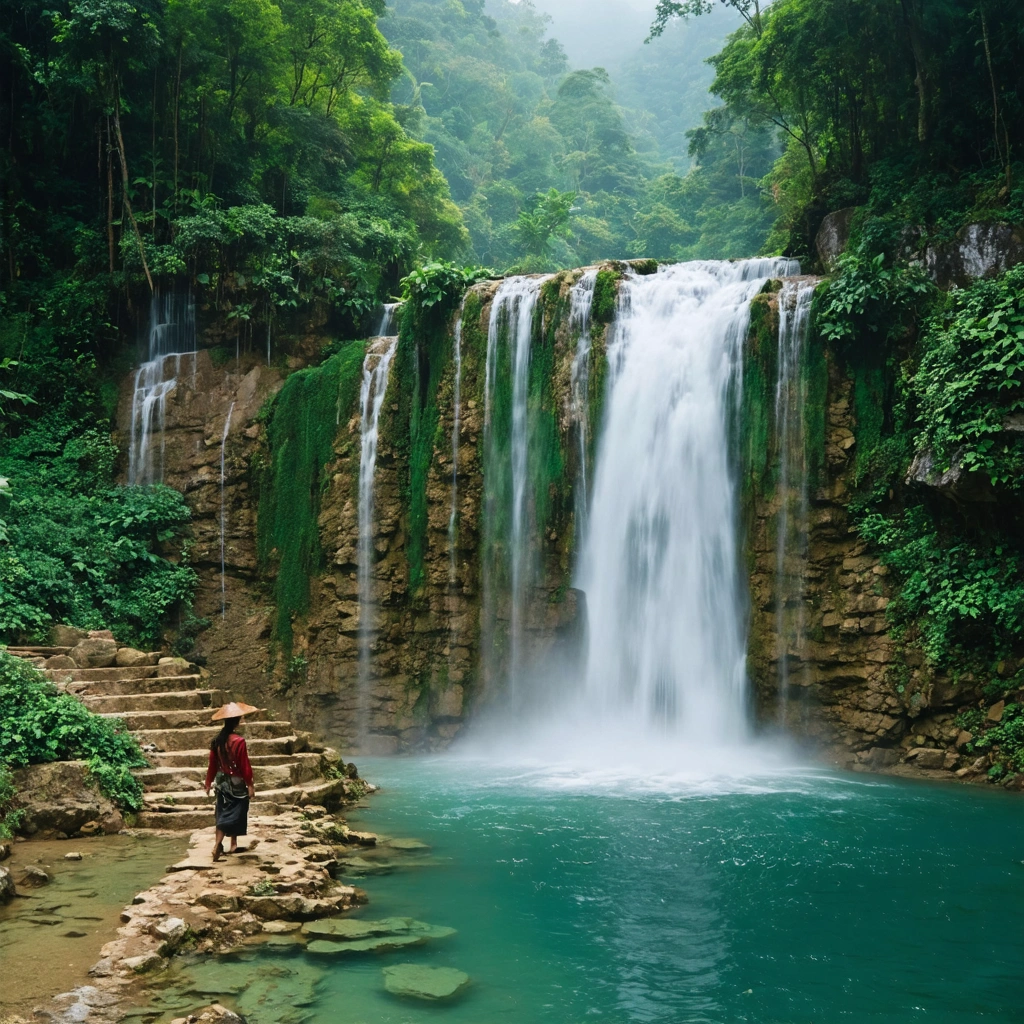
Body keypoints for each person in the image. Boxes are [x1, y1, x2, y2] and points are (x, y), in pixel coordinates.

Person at [204, 701, 259, 861]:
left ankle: (226, 843)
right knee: (236, 811)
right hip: (236, 782)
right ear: (237, 722)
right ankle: (223, 844)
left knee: (222, 811)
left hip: (221, 782)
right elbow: (245, 766)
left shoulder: (217, 741)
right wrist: (250, 785)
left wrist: (208, 783)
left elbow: (212, 765)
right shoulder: (239, 742)